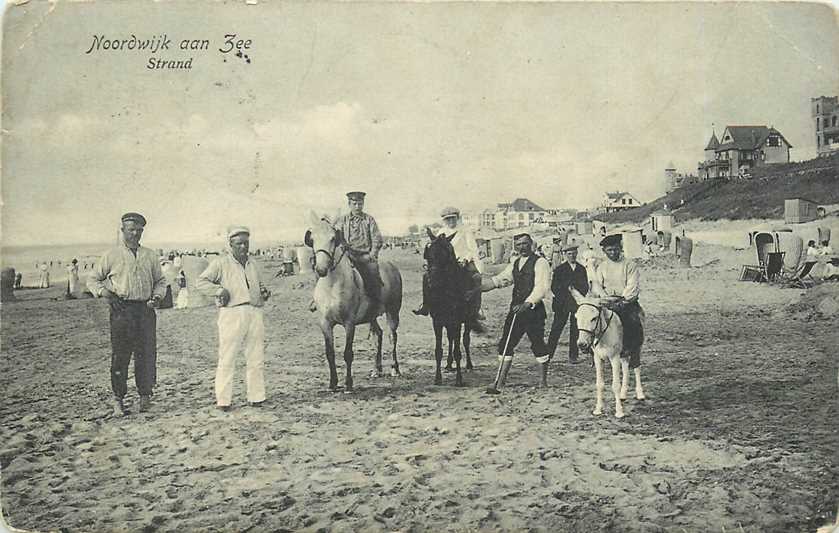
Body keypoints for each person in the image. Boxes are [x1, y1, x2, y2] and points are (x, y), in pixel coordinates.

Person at [88, 212, 167, 416]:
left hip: (145, 310)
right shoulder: (111, 255)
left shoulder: (150, 255)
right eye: (131, 230)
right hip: (122, 310)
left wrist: (157, 297)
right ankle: (118, 401)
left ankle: (145, 398)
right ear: (122, 230)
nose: (135, 234)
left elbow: (160, 281)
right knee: (121, 356)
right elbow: (93, 279)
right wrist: (105, 293)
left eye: (139, 230)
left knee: (147, 354)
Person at [197, 226, 271, 411]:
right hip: (232, 313)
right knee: (227, 357)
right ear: (230, 245)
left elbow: (259, 284)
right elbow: (201, 281)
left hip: (255, 312)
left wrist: (264, 291)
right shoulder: (221, 263)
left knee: (256, 357)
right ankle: (223, 400)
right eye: (239, 244)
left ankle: (256, 397)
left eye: (246, 243)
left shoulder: (253, 263)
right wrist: (218, 290)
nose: (243, 247)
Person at [482, 233, 551, 394]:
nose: (522, 247)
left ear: (531, 244)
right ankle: (500, 381)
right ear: (515, 247)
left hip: (534, 310)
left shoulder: (541, 262)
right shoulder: (515, 262)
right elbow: (501, 279)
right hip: (516, 310)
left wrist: (528, 303)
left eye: (525, 243)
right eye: (518, 244)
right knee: (506, 343)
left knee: (538, 343)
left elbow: (542, 287)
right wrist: (481, 288)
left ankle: (543, 381)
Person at [413, 207, 485, 331]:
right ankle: (426, 305)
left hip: (463, 261)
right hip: (446, 264)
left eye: (452, 218)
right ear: (444, 221)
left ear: (457, 218)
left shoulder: (465, 231)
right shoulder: (442, 232)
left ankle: (476, 309)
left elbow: (472, 249)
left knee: (476, 278)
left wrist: (465, 259)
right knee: (427, 277)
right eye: (447, 219)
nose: (450, 221)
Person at [589, 233, 644, 370]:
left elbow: (632, 285)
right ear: (604, 251)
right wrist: (605, 299)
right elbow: (597, 285)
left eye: (615, 249)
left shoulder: (630, 265)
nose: (613, 252)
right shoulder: (601, 267)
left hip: (625, 302)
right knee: (593, 321)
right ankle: (595, 352)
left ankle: (633, 352)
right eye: (609, 250)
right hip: (607, 301)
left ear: (620, 248)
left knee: (633, 322)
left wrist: (623, 301)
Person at [336, 191, 384, 304]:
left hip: (365, 256)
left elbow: (377, 238)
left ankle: (375, 302)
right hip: (347, 257)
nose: (357, 207)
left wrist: (372, 254)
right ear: (349, 204)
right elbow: (338, 236)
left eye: (360, 204)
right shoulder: (343, 220)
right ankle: (317, 299)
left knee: (373, 274)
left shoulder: (369, 220)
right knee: (325, 270)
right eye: (354, 204)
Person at [547, 244, 589, 364]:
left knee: (575, 329)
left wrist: (576, 294)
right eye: (569, 254)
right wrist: (567, 291)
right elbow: (554, 287)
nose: (572, 256)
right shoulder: (559, 269)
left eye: (574, 253)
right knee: (556, 328)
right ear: (565, 255)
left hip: (576, 304)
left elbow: (585, 286)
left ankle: (573, 356)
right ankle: (548, 355)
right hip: (562, 304)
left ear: (577, 253)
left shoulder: (581, 269)